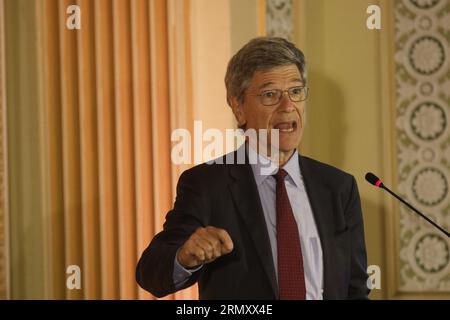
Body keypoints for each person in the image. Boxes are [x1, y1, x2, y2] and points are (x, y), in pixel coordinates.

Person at [136, 37, 369, 300]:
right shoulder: (207, 184)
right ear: (238, 108)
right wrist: (184, 257)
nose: (288, 106)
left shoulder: (338, 187)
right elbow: (150, 274)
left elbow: (356, 288)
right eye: (270, 95)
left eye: (295, 91)